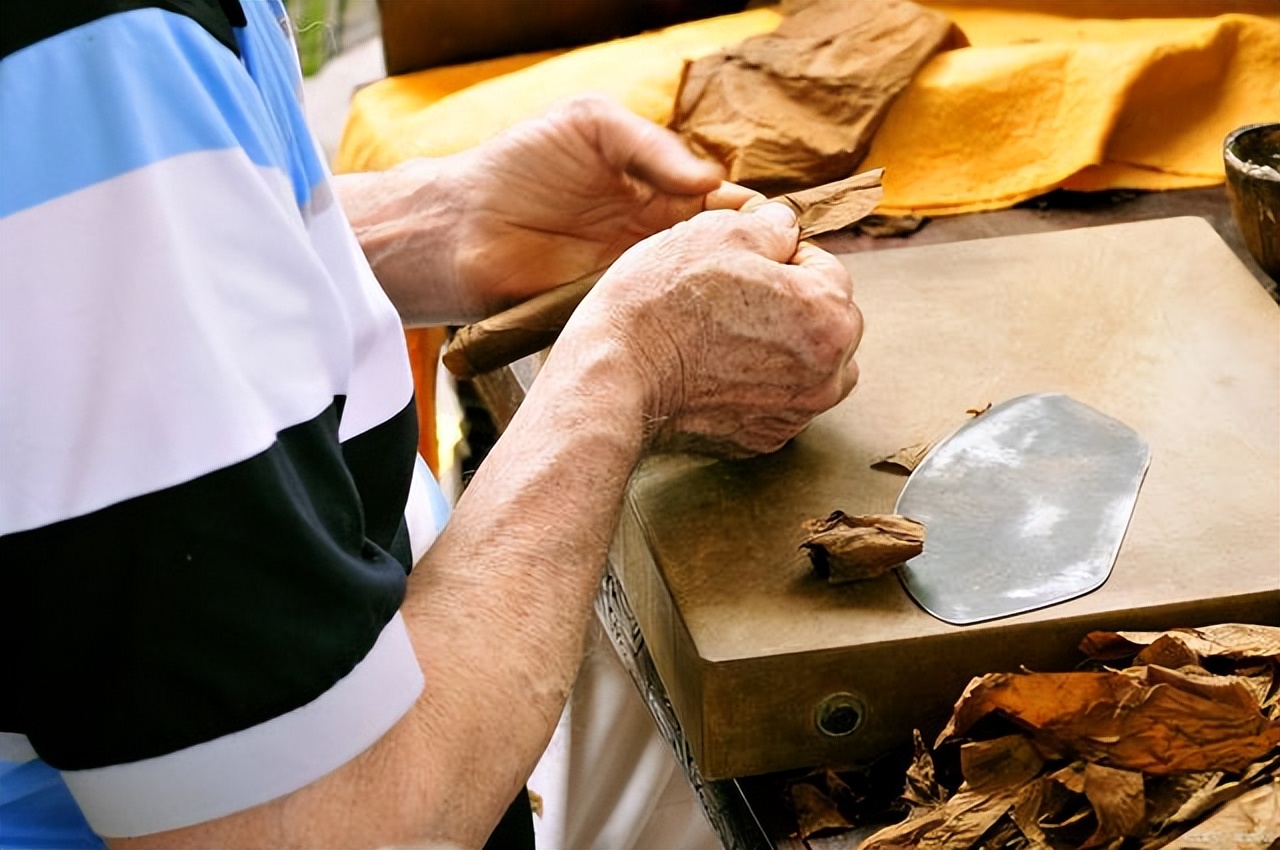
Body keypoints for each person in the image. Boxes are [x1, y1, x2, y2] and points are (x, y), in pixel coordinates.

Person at [0, 1, 863, 847]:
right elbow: (323, 829)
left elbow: (80, 275)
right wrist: (631, 366)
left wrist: (439, 221)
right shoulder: (91, 43)